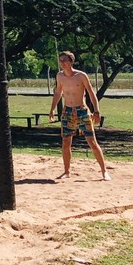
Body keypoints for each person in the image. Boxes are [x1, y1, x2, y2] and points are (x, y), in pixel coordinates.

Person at [48, 51, 110, 181]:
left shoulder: (81, 76)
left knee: (92, 142)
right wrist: (52, 109)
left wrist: (96, 111)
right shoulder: (60, 76)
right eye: (60, 60)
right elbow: (58, 93)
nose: (62, 63)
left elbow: (91, 93)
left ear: (71, 61)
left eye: (65, 60)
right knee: (66, 142)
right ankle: (66, 171)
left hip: (82, 111)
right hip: (67, 111)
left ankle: (104, 171)